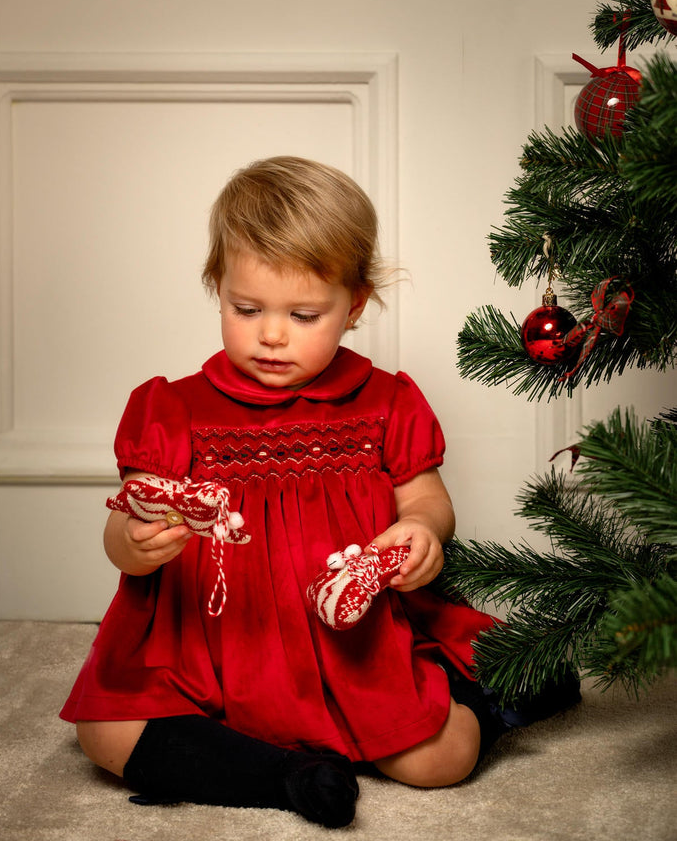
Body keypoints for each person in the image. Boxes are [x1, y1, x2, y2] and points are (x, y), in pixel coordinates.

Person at [60, 156, 579, 828]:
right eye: (246, 309)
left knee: (441, 759)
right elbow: (126, 523)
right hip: (206, 646)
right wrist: (136, 543)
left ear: (354, 304)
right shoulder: (172, 409)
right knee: (104, 733)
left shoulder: (385, 403)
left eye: (304, 314)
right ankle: (287, 778)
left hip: (349, 646)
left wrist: (422, 531)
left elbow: (426, 501)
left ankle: (489, 700)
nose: (271, 335)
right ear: (217, 286)